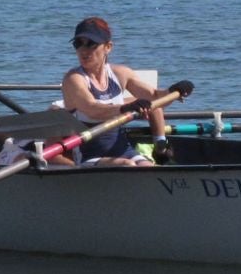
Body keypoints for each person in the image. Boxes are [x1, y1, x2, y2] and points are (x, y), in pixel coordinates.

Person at [60, 17, 192, 166]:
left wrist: (174, 91)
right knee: (126, 165)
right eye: (78, 44)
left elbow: (155, 97)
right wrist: (124, 108)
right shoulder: (74, 79)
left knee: (148, 168)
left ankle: (160, 148)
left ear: (108, 47)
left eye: (91, 44)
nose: (83, 50)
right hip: (88, 155)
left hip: (123, 150)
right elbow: (92, 109)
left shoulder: (121, 74)